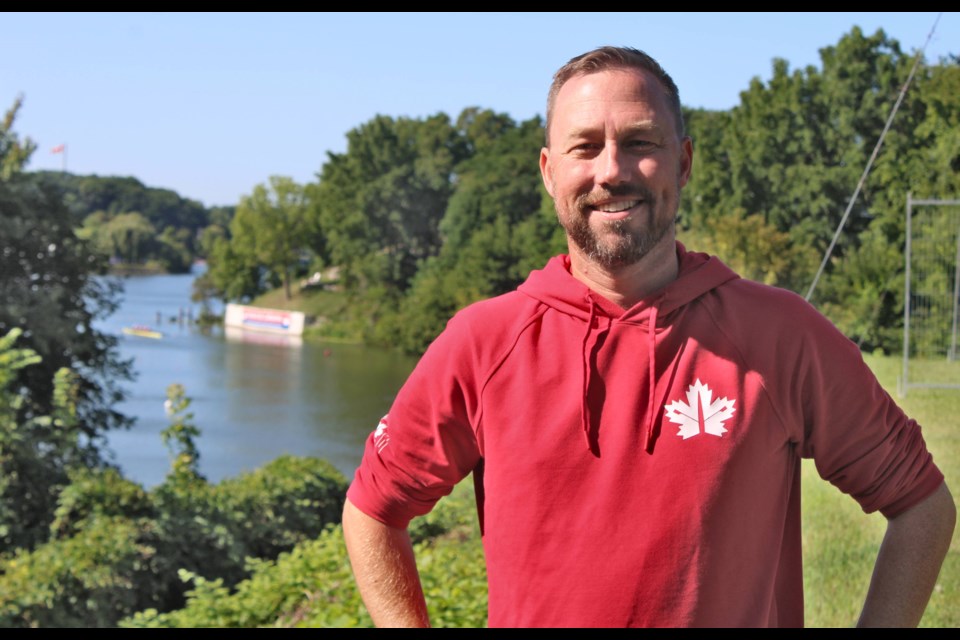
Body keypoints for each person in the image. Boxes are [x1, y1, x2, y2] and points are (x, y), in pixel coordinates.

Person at [341, 45, 956, 628]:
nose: (611, 170)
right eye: (585, 148)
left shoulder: (780, 336)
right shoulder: (484, 343)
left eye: (640, 143)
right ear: (549, 172)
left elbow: (922, 506)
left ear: (683, 162)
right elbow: (372, 511)